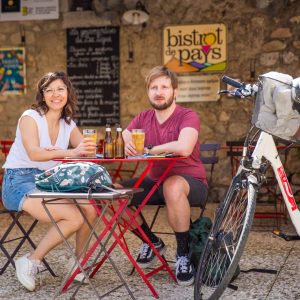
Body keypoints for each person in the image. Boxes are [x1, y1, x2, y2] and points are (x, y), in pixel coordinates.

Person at [2, 71, 98, 291]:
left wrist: (92, 149)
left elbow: (85, 151)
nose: (55, 94)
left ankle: (78, 262)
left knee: (90, 210)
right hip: (19, 180)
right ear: (42, 95)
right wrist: (70, 152)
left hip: (48, 181)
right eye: (49, 90)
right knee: (73, 217)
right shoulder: (30, 117)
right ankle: (31, 261)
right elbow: (34, 153)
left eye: (60, 89)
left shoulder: (68, 123)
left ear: (68, 92)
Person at [121, 65, 208, 286]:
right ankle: (151, 242)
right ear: (148, 92)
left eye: (164, 87)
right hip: (154, 181)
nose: (159, 92)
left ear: (175, 91)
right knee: (112, 193)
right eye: (154, 87)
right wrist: (127, 140)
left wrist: (149, 149)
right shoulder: (143, 117)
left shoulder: (188, 116)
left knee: (173, 185)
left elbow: (184, 147)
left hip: (191, 183)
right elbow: (125, 132)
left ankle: (183, 255)